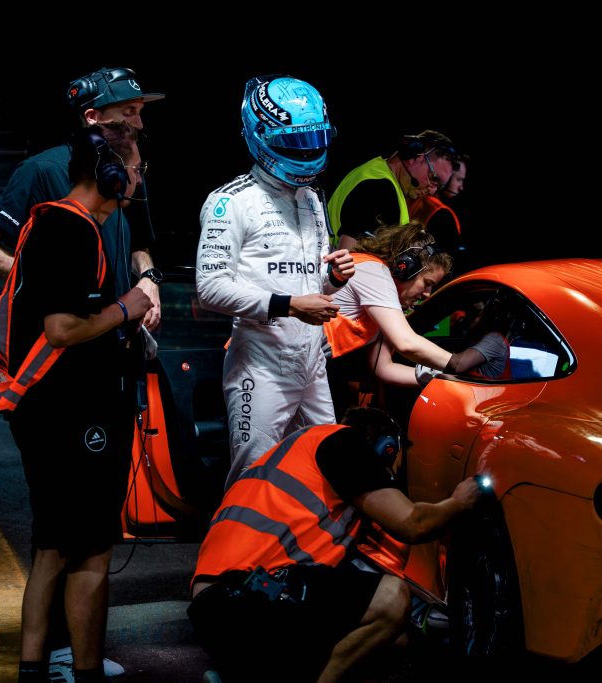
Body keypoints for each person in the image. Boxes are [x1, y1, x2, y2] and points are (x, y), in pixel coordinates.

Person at [0, 123, 154, 683]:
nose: (139, 179)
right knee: (91, 551)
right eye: (135, 169)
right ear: (110, 176)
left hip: (50, 410)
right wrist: (127, 307)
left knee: (51, 547)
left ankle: (33, 670)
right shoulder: (73, 230)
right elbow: (62, 329)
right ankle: (85, 671)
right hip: (72, 412)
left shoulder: (50, 221)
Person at [187, 406, 482, 683]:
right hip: (244, 599)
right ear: (387, 448)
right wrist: (459, 502)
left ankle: (254, 674)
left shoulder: (304, 454)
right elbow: (413, 523)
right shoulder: (345, 444)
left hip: (222, 607)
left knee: (394, 639)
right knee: (392, 598)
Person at [195, 75, 355, 488]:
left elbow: (312, 284)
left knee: (327, 472)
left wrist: (333, 277)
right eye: (294, 142)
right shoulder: (230, 201)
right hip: (260, 363)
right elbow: (209, 288)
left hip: (312, 362)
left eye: (313, 140)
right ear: (259, 136)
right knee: (253, 478)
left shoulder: (311, 199)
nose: (306, 152)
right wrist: (290, 306)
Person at [0, 66, 165, 330]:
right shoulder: (41, 170)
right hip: (60, 338)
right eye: (129, 112)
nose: (139, 123)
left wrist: (148, 278)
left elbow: (138, 243)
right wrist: (45, 286)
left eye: (139, 112)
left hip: (113, 334)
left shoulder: (129, 171)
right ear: (92, 117)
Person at [322, 222, 483, 420]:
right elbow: (406, 342)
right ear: (405, 267)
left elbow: (383, 368)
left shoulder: (382, 302)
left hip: (313, 364)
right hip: (298, 360)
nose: (427, 294)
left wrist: (438, 377)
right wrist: (457, 363)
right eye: (427, 283)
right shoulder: (373, 271)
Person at [327, 130, 460, 251]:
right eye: (434, 178)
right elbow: (345, 255)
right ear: (414, 156)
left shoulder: (374, 171)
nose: (432, 190)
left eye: (439, 186)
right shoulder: (380, 189)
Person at [408, 153, 469, 257]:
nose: (461, 187)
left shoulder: (415, 197)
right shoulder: (441, 213)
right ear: (447, 176)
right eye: (458, 180)